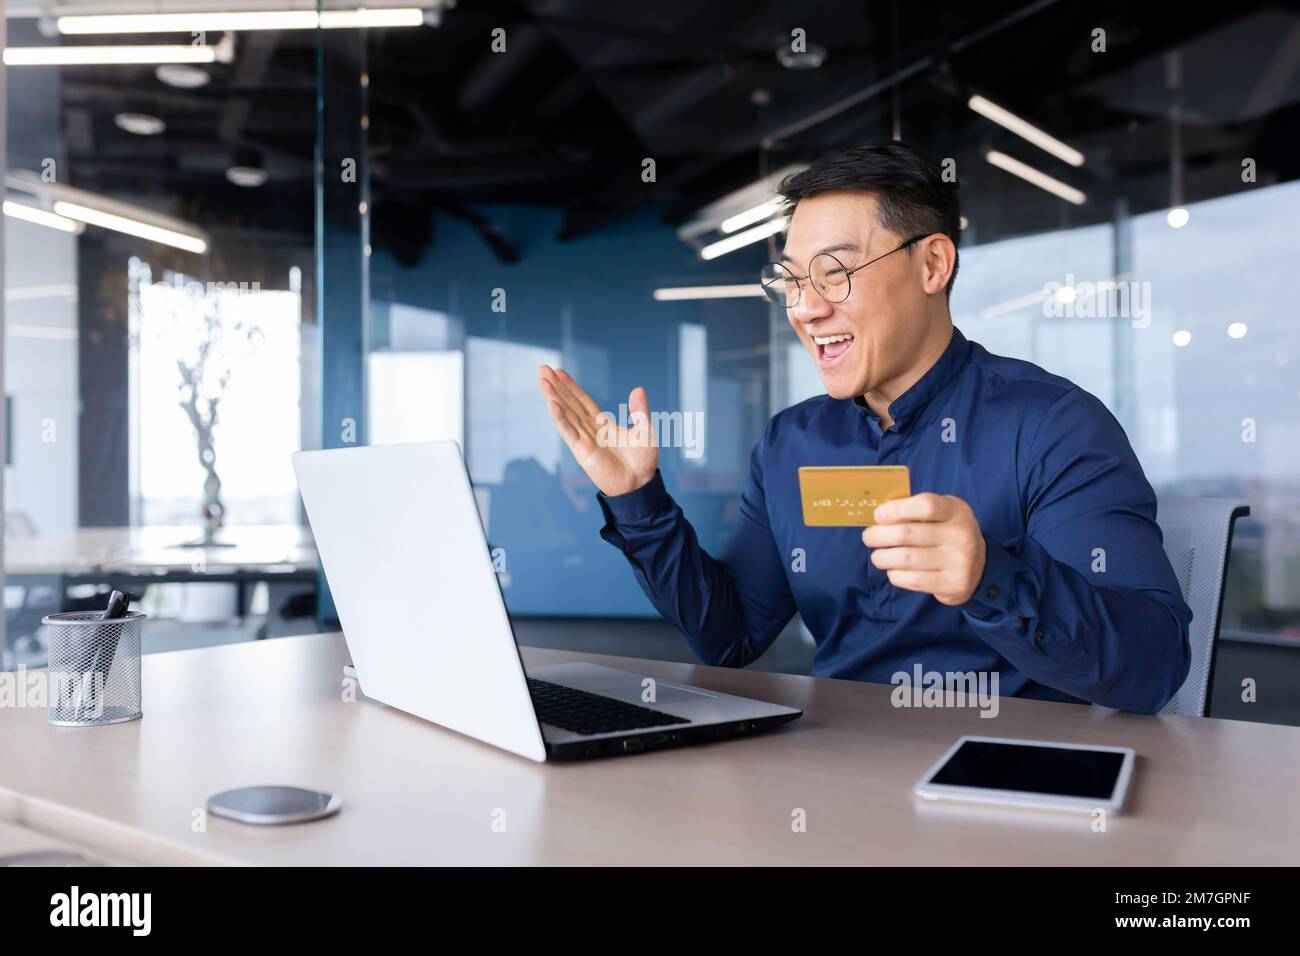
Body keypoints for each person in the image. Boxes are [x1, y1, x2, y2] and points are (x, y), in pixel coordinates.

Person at [537, 142, 1190, 713]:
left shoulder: (1052, 426)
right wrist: (637, 500)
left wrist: (993, 576)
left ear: (933, 266)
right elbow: (729, 637)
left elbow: (1153, 668)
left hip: (1004, 780)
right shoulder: (792, 444)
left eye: (835, 273)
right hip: (835, 768)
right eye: (792, 279)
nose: (807, 307)